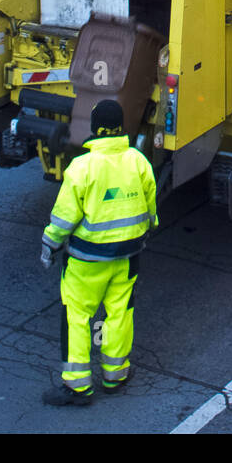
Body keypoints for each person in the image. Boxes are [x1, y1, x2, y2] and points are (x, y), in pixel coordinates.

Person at [39, 99, 158, 406]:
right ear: (121, 127)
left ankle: (78, 387)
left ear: (95, 129)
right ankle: (115, 375)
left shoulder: (81, 167)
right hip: (128, 257)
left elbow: (63, 218)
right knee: (119, 313)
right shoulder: (137, 161)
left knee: (77, 316)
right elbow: (151, 211)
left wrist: (49, 245)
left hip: (86, 260)